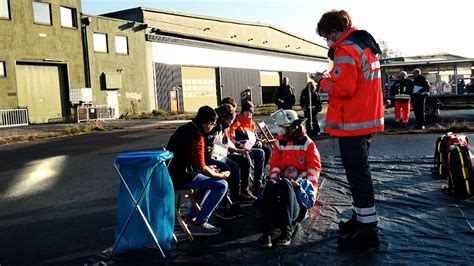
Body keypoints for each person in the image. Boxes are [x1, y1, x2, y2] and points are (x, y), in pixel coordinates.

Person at [310, 10, 384, 249]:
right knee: (359, 174)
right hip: (366, 120)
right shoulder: (365, 45)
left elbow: (344, 89)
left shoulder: (345, 50)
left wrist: (321, 81)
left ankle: (367, 231)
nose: (327, 41)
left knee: (358, 176)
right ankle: (362, 219)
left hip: (352, 123)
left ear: (333, 31)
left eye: (326, 36)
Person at [257, 109, 321, 248]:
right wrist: (272, 181)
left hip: (296, 196)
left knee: (286, 184)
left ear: (292, 127)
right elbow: (274, 164)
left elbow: (313, 168)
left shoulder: (307, 143)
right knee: (272, 185)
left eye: (282, 127)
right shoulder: (279, 142)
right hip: (280, 193)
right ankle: (266, 233)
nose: (278, 130)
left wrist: (309, 189)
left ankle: (286, 233)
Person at [166, 106, 230, 236]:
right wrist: (219, 175)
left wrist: (207, 169)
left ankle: (194, 214)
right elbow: (201, 168)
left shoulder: (184, 129)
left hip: (169, 174)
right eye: (212, 125)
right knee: (221, 185)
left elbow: (191, 160)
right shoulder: (198, 137)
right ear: (208, 124)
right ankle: (199, 222)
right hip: (181, 177)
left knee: (207, 180)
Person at [204, 103, 253, 219]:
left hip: (221, 154)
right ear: (227, 118)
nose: (232, 123)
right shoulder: (217, 127)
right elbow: (212, 146)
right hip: (211, 157)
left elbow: (224, 145)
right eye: (232, 120)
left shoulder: (224, 126)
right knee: (230, 167)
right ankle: (222, 205)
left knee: (243, 160)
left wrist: (237, 150)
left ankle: (239, 195)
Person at [230, 100, 271, 196]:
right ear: (242, 111)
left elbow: (255, 135)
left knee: (266, 150)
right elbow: (232, 139)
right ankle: (253, 184)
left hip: (250, 145)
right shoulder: (236, 122)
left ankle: (258, 180)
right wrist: (241, 144)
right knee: (260, 153)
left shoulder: (251, 123)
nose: (249, 113)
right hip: (239, 147)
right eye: (247, 111)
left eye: (251, 112)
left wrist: (259, 141)